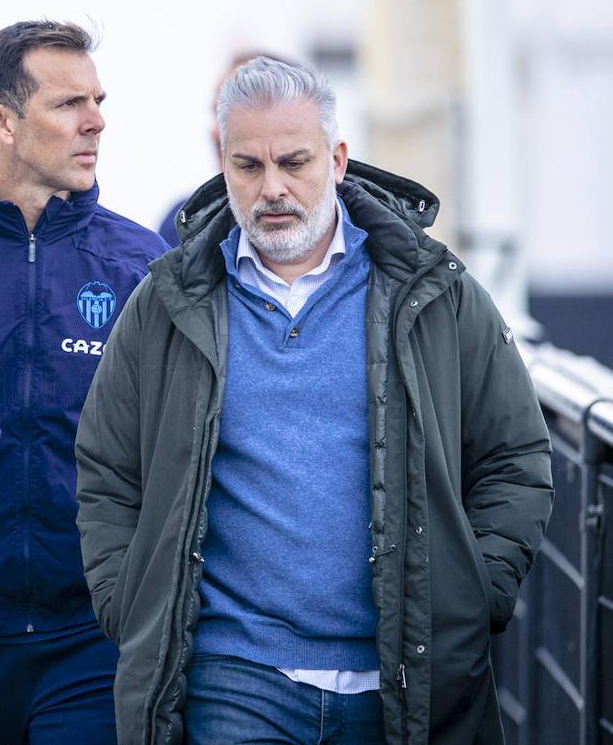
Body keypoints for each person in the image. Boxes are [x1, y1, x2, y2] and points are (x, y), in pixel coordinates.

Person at [75, 56, 553, 744]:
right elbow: (107, 464)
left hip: (402, 678)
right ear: (223, 163)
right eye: (248, 166)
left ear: (337, 158)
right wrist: (131, 602)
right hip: (233, 675)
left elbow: (517, 455)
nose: (272, 188)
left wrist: (473, 593)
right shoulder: (169, 301)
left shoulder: (435, 293)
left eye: (293, 162)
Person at [0, 21, 169, 745]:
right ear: (2, 122)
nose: (96, 120)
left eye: (98, 100)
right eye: (69, 103)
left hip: (91, 635)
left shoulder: (143, 266)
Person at [155, 50, 290, 247]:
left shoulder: (341, 228)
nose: (216, 133)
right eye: (216, 113)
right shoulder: (184, 222)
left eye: (231, 117)